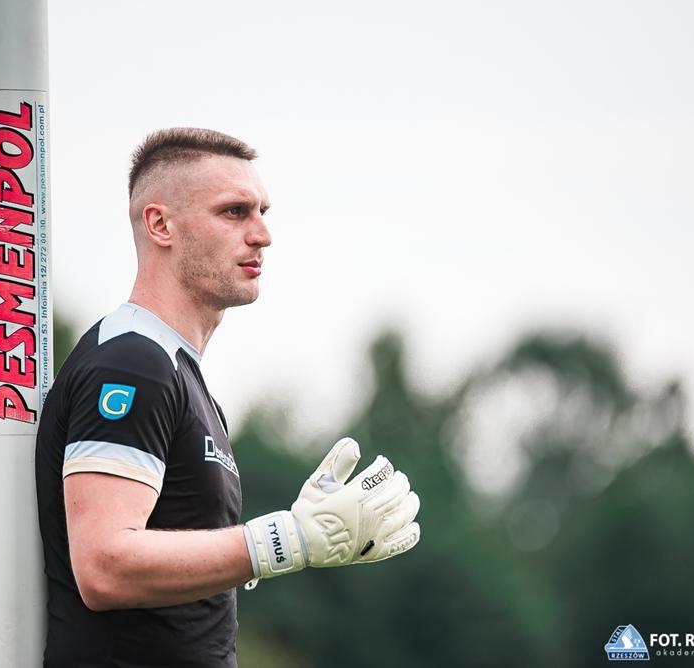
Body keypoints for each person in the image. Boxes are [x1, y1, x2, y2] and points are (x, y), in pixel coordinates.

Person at [35, 128, 421, 667]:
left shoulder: (174, 370)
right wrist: (289, 539)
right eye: (234, 212)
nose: (262, 235)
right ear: (160, 224)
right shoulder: (132, 362)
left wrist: (298, 537)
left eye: (263, 212)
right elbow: (104, 565)